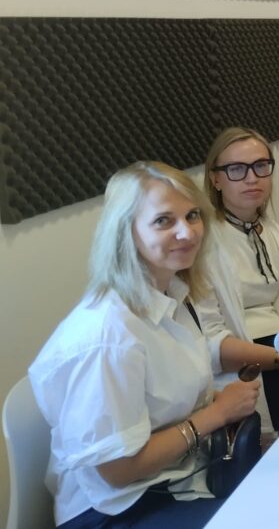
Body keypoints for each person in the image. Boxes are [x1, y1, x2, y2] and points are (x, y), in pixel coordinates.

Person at [29, 162, 260, 528]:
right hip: (114, 511)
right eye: (164, 221)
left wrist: (216, 402)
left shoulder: (172, 295)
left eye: (193, 215)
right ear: (126, 232)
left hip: (175, 480)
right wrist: (216, 414)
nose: (187, 232)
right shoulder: (108, 337)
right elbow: (119, 471)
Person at [194, 127, 279, 433]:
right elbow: (213, 345)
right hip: (243, 366)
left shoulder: (274, 233)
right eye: (236, 169)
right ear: (215, 179)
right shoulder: (202, 244)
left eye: (260, 166)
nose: (252, 178)